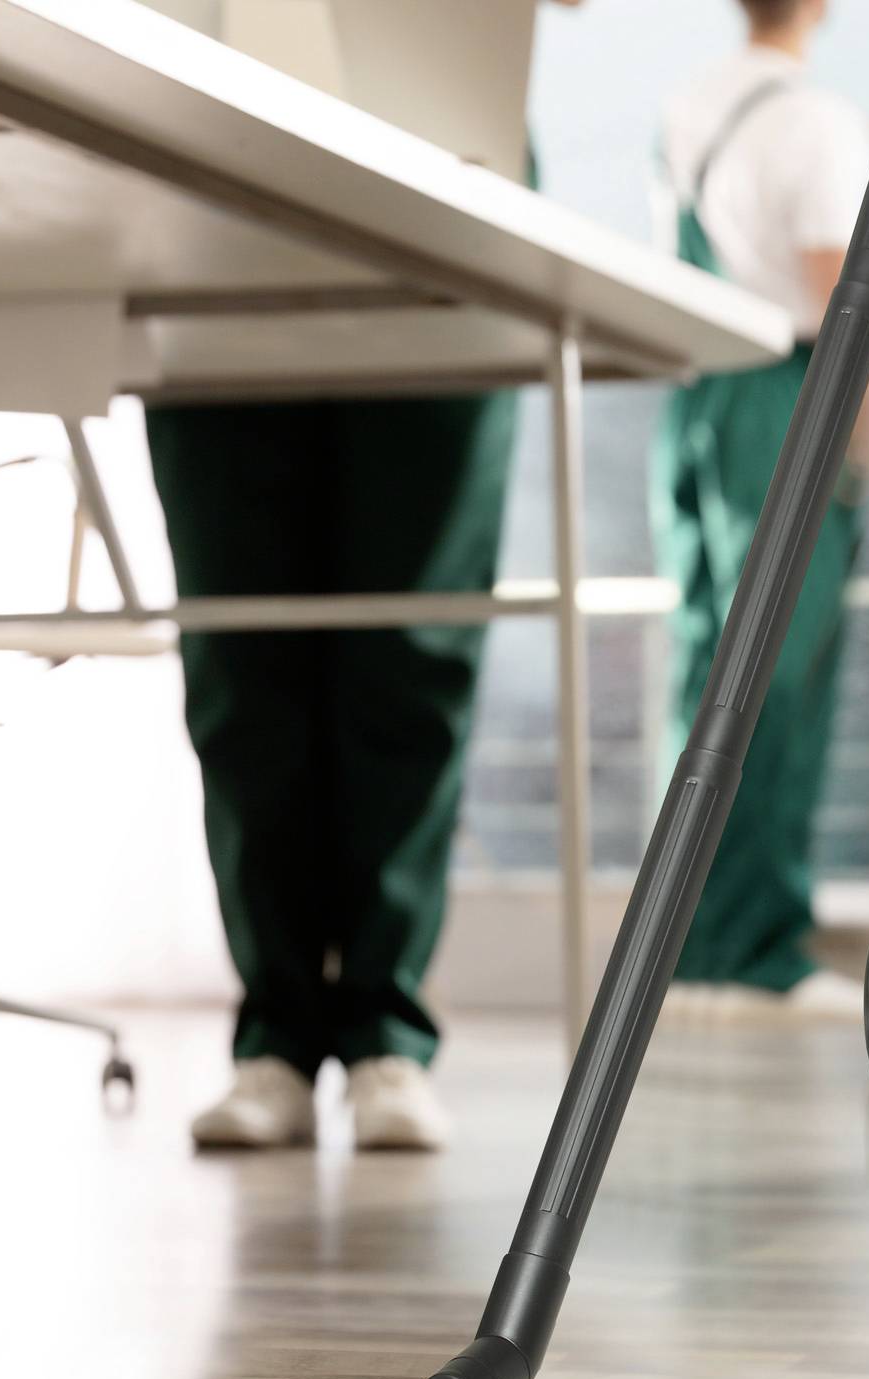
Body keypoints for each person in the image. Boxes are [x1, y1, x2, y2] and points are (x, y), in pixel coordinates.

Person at [150, 0, 585, 1152]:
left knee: (410, 644)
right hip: (212, 164)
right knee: (242, 649)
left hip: (438, 169)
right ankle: (275, 1040)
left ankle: (386, 1032)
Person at [652, 0, 869, 1024]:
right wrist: (868, 438)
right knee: (777, 681)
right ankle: (759, 951)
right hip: (790, 397)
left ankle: (691, 944)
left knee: (706, 671)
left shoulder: (688, 106)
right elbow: (846, 295)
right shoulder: (819, 124)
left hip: (700, 391)